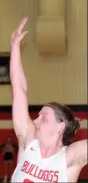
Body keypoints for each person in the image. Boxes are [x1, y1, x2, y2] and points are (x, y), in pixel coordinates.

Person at [10, 17, 87, 182]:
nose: (35, 121)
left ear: (61, 126)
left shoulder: (70, 157)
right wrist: (15, 48)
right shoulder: (28, 140)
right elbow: (19, 90)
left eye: (43, 117)